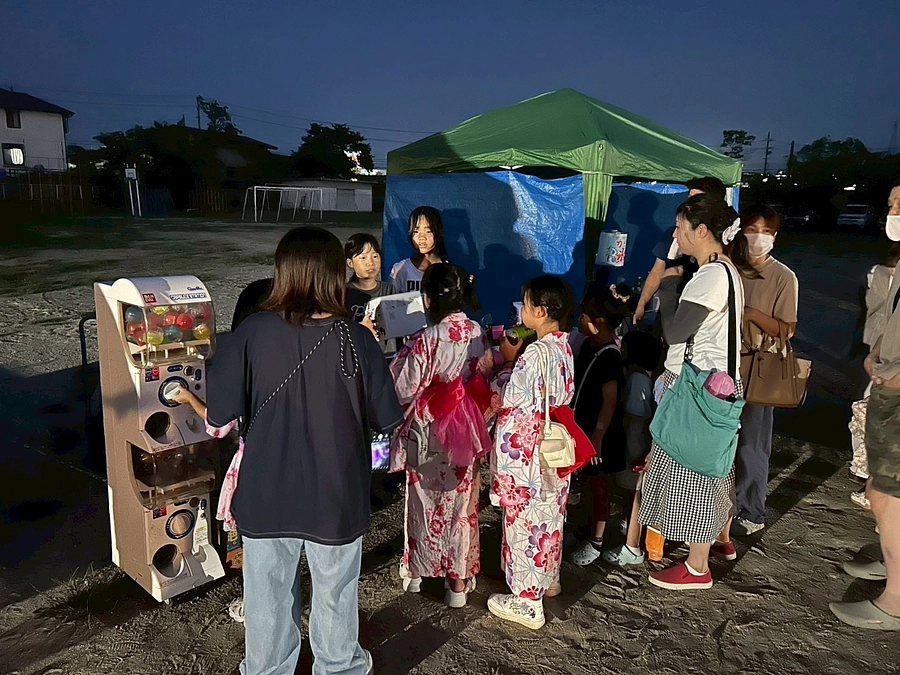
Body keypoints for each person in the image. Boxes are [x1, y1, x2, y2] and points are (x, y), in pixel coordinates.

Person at [206, 226, 403, 675]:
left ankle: (270, 669)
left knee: (268, 596)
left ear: (283, 273)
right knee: (335, 593)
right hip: (336, 495)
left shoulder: (250, 333)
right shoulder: (357, 340)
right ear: (337, 274)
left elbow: (218, 419)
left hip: (267, 491)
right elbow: (387, 421)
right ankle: (339, 667)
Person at [638, 193, 754, 590]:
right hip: (711, 386)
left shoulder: (710, 275)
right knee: (710, 470)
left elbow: (674, 331)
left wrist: (668, 287)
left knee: (694, 476)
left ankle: (697, 566)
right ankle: (715, 546)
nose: (676, 234)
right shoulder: (725, 271)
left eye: (680, 227)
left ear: (701, 231)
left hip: (699, 389)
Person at [388, 263, 491, 608]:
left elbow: (402, 387)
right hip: (465, 423)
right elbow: (485, 376)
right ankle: (457, 584)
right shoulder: (477, 332)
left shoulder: (427, 338)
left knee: (422, 500)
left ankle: (416, 572)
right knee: (462, 505)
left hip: (429, 423)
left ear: (428, 299)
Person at [485, 276, 576, 629]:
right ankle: (548, 579)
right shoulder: (562, 346)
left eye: (524, 305)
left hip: (530, 457)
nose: (521, 311)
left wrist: (506, 363)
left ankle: (527, 600)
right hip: (554, 449)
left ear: (539, 312)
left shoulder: (535, 354)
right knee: (550, 520)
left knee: (527, 524)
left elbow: (514, 405)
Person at [830, 179, 900, 630]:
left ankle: (895, 600)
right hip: (888, 386)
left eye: (898, 202)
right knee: (881, 488)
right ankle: (892, 565)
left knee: (886, 494)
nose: (890, 209)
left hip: (896, 394)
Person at [730, 205, 799, 537]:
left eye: (766, 231)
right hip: (725, 367)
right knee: (724, 443)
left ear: (775, 236)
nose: (758, 237)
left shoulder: (784, 277)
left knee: (753, 444)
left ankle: (752, 509)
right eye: (752, 229)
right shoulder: (730, 268)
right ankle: (722, 507)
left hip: (760, 369)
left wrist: (753, 314)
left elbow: (787, 329)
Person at [568, 286, 628, 566]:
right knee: (587, 484)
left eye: (584, 316)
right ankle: (585, 527)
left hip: (599, 435)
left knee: (599, 486)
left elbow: (609, 401)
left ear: (600, 321)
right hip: (583, 430)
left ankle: (597, 540)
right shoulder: (587, 346)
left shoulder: (610, 356)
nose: (579, 321)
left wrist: (597, 437)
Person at [603, 330, 662, 568]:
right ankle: (631, 530)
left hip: (634, 443)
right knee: (633, 493)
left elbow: (636, 415)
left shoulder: (638, 381)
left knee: (635, 493)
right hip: (635, 442)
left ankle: (632, 545)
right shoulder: (645, 377)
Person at [633, 177, 728, 324]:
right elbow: (657, 270)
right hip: (670, 310)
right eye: (689, 199)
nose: (689, 205)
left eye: (696, 200)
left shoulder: (728, 241)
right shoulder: (674, 234)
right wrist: (642, 304)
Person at [849, 242, 900, 507]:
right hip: (882, 357)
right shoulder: (885, 274)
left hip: (888, 366)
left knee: (870, 416)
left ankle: (869, 477)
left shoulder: (878, 273)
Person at [344, 233, 396, 352]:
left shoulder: (389, 290)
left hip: (383, 357)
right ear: (350, 263)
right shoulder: (344, 292)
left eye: (375, 256)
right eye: (363, 257)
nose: (370, 263)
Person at [390, 206, 449, 293]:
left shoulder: (449, 270)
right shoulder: (400, 270)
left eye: (428, 231)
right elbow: (389, 303)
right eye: (416, 231)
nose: (422, 237)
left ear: (439, 232)